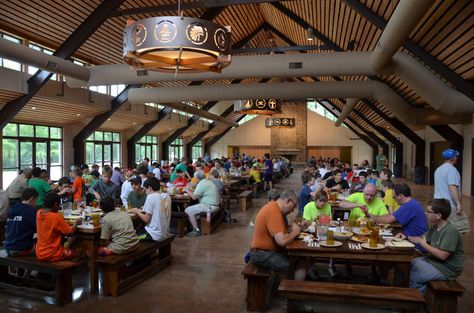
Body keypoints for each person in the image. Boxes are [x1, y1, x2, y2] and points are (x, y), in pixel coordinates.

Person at [400, 198, 464, 293]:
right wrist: (406, 237)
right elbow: (421, 239)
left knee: (414, 274)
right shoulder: (435, 227)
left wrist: (423, 244)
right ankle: (407, 295)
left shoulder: (450, 231)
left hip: (447, 269)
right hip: (435, 262)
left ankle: (416, 302)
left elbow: (443, 256)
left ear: (438, 215)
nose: (425, 214)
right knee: (409, 263)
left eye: (428, 211)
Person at [249, 189, 307, 280]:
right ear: (288, 201)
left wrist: (296, 227)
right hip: (261, 254)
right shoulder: (273, 211)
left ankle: (294, 287)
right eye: (294, 206)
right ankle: (290, 290)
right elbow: (282, 241)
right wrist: (296, 232)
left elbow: (282, 229)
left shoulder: (277, 209)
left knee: (302, 260)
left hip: (268, 252)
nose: (293, 210)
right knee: (291, 267)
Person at [36, 192, 82, 261]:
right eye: (59, 206)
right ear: (55, 204)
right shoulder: (55, 217)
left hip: (39, 252)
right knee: (79, 252)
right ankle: (70, 271)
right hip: (53, 254)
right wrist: (76, 223)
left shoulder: (39, 213)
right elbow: (70, 232)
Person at [434, 148, 470, 234]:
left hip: (437, 204)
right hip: (449, 205)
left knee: (442, 227)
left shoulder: (438, 170)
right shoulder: (452, 170)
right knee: (461, 228)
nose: (457, 158)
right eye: (456, 156)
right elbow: (452, 187)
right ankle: (451, 246)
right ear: (452, 158)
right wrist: (458, 204)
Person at [184, 171, 220, 237]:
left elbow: (194, 197)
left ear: (197, 178)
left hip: (209, 206)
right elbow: (199, 192)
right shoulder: (207, 181)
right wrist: (190, 189)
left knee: (188, 210)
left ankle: (196, 230)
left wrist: (187, 190)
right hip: (214, 204)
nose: (194, 179)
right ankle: (193, 226)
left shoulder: (202, 183)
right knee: (193, 210)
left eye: (195, 178)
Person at [4, 188, 39, 256]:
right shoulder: (31, 211)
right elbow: (38, 229)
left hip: (7, 247)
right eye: (36, 200)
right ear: (32, 198)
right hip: (21, 249)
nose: (36, 203)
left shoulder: (12, 209)